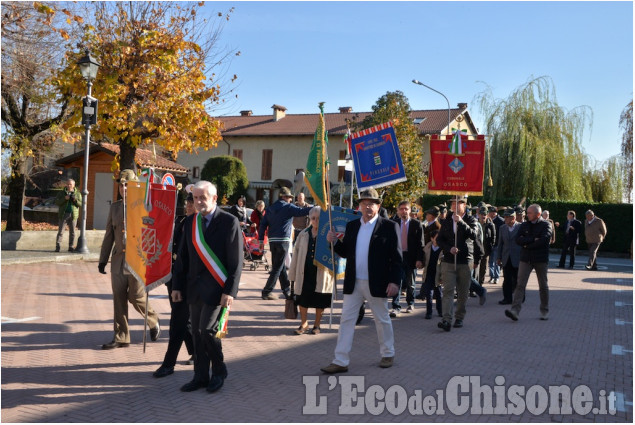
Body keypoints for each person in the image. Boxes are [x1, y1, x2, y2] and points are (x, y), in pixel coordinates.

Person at [320, 188, 402, 373]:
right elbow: (345, 252)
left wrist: (394, 282)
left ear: (378, 206)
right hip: (354, 282)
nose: (367, 207)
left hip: (377, 282)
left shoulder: (389, 227)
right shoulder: (353, 226)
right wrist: (333, 242)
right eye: (364, 203)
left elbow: (397, 259)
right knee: (346, 321)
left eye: (371, 203)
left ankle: (388, 353)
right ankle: (340, 360)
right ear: (359, 206)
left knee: (382, 319)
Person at [171, 180, 242, 393]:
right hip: (194, 288)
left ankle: (219, 371)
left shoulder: (229, 222)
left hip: (218, 289)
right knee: (196, 335)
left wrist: (230, 291)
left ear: (214, 198)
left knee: (207, 330)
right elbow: (182, 257)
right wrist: (177, 286)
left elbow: (236, 262)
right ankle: (200, 376)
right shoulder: (190, 222)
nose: (199, 201)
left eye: (203, 197)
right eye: (196, 198)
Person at [98, 169, 161, 349]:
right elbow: (109, 235)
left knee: (136, 297)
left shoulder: (143, 206)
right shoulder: (115, 207)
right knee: (118, 298)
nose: (123, 188)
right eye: (121, 185)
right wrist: (103, 259)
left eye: (127, 185)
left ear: (134, 186)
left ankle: (153, 320)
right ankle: (121, 336)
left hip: (137, 260)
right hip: (118, 260)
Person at [153, 192, 196, 378]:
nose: (188, 206)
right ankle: (196, 352)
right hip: (176, 278)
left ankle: (168, 364)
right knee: (182, 319)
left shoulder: (199, 225)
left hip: (192, 281)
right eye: (187, 203)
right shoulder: (180, 222)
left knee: (177, 322)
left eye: (192, 203)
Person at [258, 187, 312, 300]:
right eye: (289, 197)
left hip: (272, 241)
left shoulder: (270, 208)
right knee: (277, 267)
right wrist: (316, 207)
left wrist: (261, 240)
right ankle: (266, 291)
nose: (290, 200)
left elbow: (262, 225)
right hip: (283, 240)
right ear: (284, 197)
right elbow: (301, 212)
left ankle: (287, 290)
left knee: (280, 265)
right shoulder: (288, 207)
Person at [287, 206, 333, 335]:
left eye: (318, 218)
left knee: (320, 299)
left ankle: (317, 325)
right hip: (305, 271)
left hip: (322, 272)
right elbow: (295, 254)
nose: (316, 221)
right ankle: (304, 323)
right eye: (313, 218)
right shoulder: (303, 234)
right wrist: (292, 274)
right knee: (303, 299)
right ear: (310, 219)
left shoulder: (328, 233)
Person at [436, 195, 478, 331]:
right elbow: (440, 240)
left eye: (457, 203)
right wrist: (449, 249)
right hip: (448, 261)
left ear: (464, 205)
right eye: (452, 204)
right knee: (447, 291)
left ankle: (459, 317)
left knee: (462, 292)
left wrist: (461, 222)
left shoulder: (471, 219)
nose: (453, 206)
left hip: (465, 261)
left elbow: (474, 235)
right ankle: (446, 320)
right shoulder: (447, 221)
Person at [505, 204, 552, 321]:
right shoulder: (525, 225)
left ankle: (544, 310)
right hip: (525, 259)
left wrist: (526, 244)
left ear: (538, 214)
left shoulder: (546, 225)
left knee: (543, 285)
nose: (527, 214)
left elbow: (544, 240)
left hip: (540, 259)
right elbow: (518, 239)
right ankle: (515, 311)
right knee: (520, 284)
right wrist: (531, 240)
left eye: (530, 213)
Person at [389, 200, 424, 317]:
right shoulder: (393, 223)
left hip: (411, 257)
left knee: (411, 283)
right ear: (398, 211)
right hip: (397, 257)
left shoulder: (416, 224)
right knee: (396, 281)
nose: (404, 211)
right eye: (401, 209)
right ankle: (395, 306)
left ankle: (410, 303)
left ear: (410, 210)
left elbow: (420, 244)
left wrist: (420, 259)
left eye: (406, 209)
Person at [496, 208, 521, 304]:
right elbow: (500, 244)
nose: (505, 219)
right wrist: (498, 257)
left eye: (507, 217)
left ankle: (520, 297)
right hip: (506, 257)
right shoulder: (502, 228)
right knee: (507, 279)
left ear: (513, 218)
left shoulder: (520, 227)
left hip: (517, 258)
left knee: (518, 280)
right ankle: (507, 298)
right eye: (504, 217)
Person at [418, 229, 443, 319]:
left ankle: (440, 311)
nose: (438, 240)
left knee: (439, 294)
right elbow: (423, 259)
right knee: (429, 294)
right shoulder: (427, 248)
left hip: (438, 274)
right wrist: (420, 263)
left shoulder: (443, 249)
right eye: (436, 238)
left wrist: (443, 276)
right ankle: (429, 312)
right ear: (432, 239)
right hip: (428, 274)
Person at [54, 179, 82, 252]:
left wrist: (75, 200)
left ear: (74, 185)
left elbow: (81, 204)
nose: (69, 186)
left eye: (70, 184)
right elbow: (57, 202)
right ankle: (58, 246)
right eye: (68, 184)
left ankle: (71, 246)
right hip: (63, 214)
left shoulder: (78, 194)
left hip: (73, 215)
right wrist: (64, 199)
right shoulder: (61, 193)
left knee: (72, 232)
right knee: (60, 231)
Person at [477, 207, 496, 286]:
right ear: (478, 215)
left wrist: (491, 247)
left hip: (485, 250)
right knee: (475, 268)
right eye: (481, 214)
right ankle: (474, 284)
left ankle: (480, 283)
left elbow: (493, 237)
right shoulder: (475, 223)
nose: (483, 216)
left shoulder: (490, 225)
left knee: (483, 268)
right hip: (477, 249)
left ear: (487, 215)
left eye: (485, 214)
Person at [487, 205, 505, 284]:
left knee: (496, 261)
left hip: (497, 244)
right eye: (489, 212)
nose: (490, 214)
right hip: (490, 244)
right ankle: (492, 276)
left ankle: (496, 277)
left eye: (491, 212)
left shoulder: (501, 221)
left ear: (495, 213)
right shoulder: (488, 220)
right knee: (490, 262)